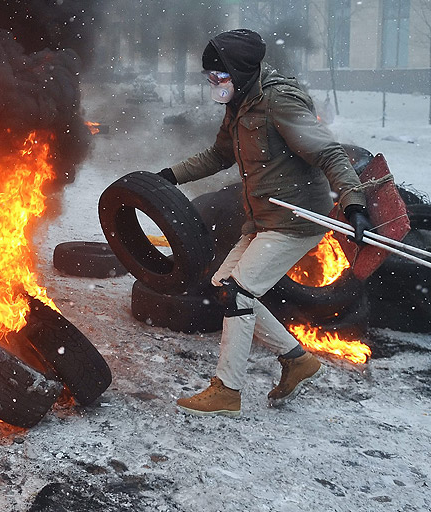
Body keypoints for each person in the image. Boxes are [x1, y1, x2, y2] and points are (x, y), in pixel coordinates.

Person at [157, 29, 371, 415]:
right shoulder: (239, 103)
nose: (214, 84)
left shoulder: (280, 102)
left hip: (295, 221)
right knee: (224, 285)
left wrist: (354, 202)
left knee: (239, 292)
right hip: (263, 220)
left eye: (218, 76)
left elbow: (328, 153)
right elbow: (219, 155)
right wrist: (171, 176)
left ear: (238, 72)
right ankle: (297, 360)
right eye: (210, 77)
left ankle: (227, 390)